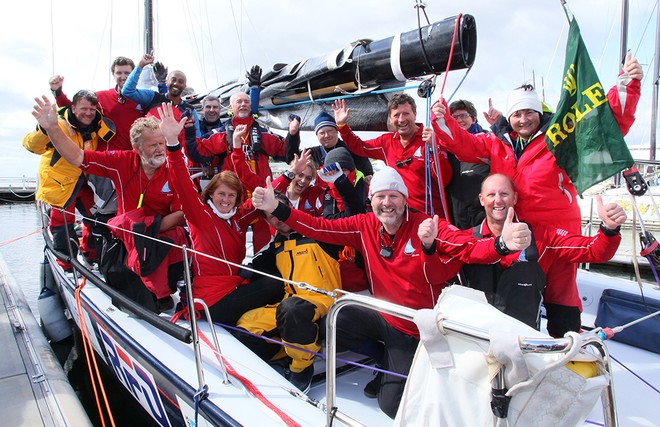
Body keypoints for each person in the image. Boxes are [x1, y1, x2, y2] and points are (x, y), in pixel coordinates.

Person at [252, 166, 530, 417]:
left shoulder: (426, 226)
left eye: (394, 196)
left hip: (415, 329)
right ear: (371, 201)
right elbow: (319, 227)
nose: (387, 203)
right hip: (384, 315)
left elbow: (468, 248)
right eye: (380, 197)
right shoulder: (363, 226)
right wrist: (276, 207)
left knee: (391, 405)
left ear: (405, 200)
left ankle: (411, 368)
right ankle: (381, 356)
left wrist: (501, 245)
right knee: (334, 323)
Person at [428, 53, 642, 336]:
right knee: (516, 298)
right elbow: (463, 145)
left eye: (529, 112)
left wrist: (628, 85)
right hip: (516, 233)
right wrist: (441, 120)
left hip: (556, 234)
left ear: (539, 113)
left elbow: (602, 127)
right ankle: (516, 346)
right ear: (509, 117)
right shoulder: (496, 142)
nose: (523, 119)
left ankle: (566, 352)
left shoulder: (560, 137)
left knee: (562, 297)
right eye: (516, 113)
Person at [31, 95, 187, 313]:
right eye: (153, 145)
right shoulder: (122, 161)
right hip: (125, 244)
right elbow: (77, 157)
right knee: (134, 302)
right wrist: (52, 128)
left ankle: (164, 292)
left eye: (162, 143)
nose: (160, 149)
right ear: (136, 147)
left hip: (160, 243)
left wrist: (144, 228)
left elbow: (182, 214)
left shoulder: (174, 169)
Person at [159, 103, 283, 324]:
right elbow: (181, 180)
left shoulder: (237, 217)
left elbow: (263, 196)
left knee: (269, 266)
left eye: (231, 196)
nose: (225, 200)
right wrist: (172, 143)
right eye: (221, 194)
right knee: (274, 285)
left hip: (233, 286)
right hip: (211, 300)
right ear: (211, 194)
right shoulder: (199, 214)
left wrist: (291, 175)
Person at [463, 174, 626, 329]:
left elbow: (593, 250)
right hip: (475, 337)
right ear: (482, 200)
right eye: (491, 195)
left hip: (523, 343)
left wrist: (609, 229)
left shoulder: (542, 238)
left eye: (504, 194)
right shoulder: (467, 240)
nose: (498, 200)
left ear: (515, 198)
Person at [234, 191, 343, 393]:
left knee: (293, 308)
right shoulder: (275, 246)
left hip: (323, 299)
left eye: (278, 211)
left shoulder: (318, 231)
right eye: (270, 217)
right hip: (289, 303)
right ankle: (290, 351)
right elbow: (251, 269)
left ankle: (301, 367)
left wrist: (340, 184)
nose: (277, 220)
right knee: (244, 327)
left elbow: (350, 213)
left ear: (288, 209)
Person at [23, 90, 116, 268]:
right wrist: (46, 128)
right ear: (73, 108)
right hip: (60, 185)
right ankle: (66, 264)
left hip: (84, 182)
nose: (88, 113)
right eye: (83, 108)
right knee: (62, 222)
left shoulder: (97, 127)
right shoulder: (59, 126)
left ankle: (92, 255)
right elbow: (31, 145)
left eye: (92, 108)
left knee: (96, 216)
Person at [332, 94, 452, 217]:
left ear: (415, 114)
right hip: (400, 218)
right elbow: (359, 146)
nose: (401, 119)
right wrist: (342, 126)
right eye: (396, 115)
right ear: (390, 118)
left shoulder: (431, 140)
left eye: (406, 113)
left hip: (431, 217)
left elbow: (445, 179)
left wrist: (434, 150)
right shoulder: (386, 142)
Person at [49, 56, 143, 151]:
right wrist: (58, 92)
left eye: (127, 73)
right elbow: (74, 109)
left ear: (134, 74)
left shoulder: (143, 98)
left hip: (134, 158)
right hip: (105, 157)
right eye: (119, 73)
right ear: (113, 75)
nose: (123, 76)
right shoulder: (101, 97)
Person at [287, 111, 373, 184]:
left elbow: (367, 172)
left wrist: (368, 177)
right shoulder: (311, 153)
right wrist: (293, 134)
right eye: (322, 133)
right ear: (317, 135)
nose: (326, 135)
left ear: (337, 131)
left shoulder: (352, 149)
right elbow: (291, 159)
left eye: (330, 131)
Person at [443, 99, 490, 229]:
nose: (459, 120)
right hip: (457, 218)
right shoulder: (446, 149)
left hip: (484, 217)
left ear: (474, 118)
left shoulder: (488, 141)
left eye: (463, 115)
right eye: (454, 117)